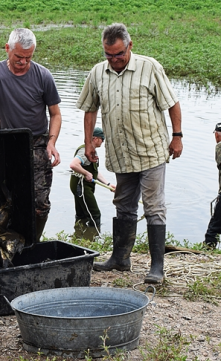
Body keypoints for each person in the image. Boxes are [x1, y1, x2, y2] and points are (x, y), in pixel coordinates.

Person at [76, 23, 183, 284]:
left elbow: (172, 103)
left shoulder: (150, 67)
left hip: (151, 151)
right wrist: (88, 143)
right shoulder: (97, 73)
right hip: (121, 154)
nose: (114, 60)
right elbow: (90, 109)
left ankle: (157, 267)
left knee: (153, 207)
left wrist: (177, 136)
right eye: (108, 55)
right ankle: (120, 258)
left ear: (130, 47)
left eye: (119, 54)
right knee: (123, 205)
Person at [0, 28, 62, 239]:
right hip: (6, 142)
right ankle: (6, 243)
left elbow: (56, 114)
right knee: (3, 200)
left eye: (28, 58)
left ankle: (32, 243)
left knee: (40, 204)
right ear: (7, 49)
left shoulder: (43, 75)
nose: (23, 62)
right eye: (18, 57)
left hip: (37, 143)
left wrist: (51, 143)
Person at [69, 127, 116, 239]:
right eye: (102, 138)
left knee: (82, 215)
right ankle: (91, 240)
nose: (103, 141)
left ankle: (78, 239)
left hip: (80, 186)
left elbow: (94, 171)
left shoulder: (90, 151)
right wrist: (86, 173)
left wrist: (108, 184)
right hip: (82, 187)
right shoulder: (84, 151)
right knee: (95, 214)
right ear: (95, 138)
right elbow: (73, 165)